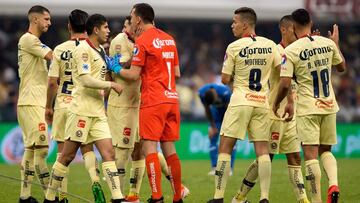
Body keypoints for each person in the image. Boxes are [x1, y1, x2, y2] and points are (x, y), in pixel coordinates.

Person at [43, 14, 125, 203]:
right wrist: (110, 86)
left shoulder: (101, 51)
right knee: (67, 156)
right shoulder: (83, 51)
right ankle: (49, 198)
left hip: (97, 112)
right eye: (105, 27)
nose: (108, 31)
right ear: (95, 29)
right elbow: (86, 80)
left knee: (108, 153)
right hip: (80, 110)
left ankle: (117, 198)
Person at [107, 3, 183, 203]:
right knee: (170, 151)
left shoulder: (143, 40)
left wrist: (115, 68)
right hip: (172, 99)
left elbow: (132, 75)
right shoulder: (169, 39)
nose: (131, 21)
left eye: (132, 17)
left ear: (139, 19)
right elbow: (176, 73)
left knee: (149, 149)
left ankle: (157, 197)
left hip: (153, 101)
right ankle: (177, 197)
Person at [232, 15, 310, 203]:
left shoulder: (297, 51)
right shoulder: (276, 51)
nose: (299, 34)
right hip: (274, 113)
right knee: (266, 158)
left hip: (291, 115)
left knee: (294, 158)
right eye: (295, 30)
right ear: (284, 30)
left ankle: (304, 200)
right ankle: (239, 197)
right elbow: (285, 82)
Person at [207, 7, 281, 203]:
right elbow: (281, 71)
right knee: (263, 151)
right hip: (261, 102)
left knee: (225, 147)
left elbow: (224, 79)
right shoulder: (270, 45)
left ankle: (218, 197)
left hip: (240, 101)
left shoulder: (234, 47)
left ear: (245, 25)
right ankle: (264, 198)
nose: (232, 25)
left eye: (235, 22)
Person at [273, 8, 346, 203]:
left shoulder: (291, 51)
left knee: (311, 156)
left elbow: (285, 83)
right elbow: (341, 68)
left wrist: (276, 103)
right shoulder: (328, 43)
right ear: (311, 22)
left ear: (293, 26)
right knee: (326, 151)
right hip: (329, 105)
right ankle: (334, 183)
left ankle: (316, 201)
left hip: (308, 108)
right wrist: (336, 45)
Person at [17, 5, 52, 203]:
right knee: (42, 149)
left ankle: (25, 196)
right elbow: (53, 57)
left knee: (31, 149)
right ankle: (50, 196)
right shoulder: (29, 39)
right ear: (35, 19)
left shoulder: (33, 41)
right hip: (31, 101)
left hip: (33, 101)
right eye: (46, 19)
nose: (49, 22)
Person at [107, 15, 143, 194]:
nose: (124, 29)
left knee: (140, 150)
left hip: (139, 102)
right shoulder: (120, 41)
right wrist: (141, 52)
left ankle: (133, 195)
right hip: (121, 104)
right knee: (122, 151)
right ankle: (118, 196)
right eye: (125, 25)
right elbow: (125, 68)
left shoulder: (143, 40)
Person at [198, 83, 236, 176]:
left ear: (216, 95)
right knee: (212, 138)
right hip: (215, 115)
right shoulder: (201, 93)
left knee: (231, 140)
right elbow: (207, 109)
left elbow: (230, 110)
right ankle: (214, 167)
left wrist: (229, 125)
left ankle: (229, 168)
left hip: (228, 113)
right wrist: (212, 126)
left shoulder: (225, 92)